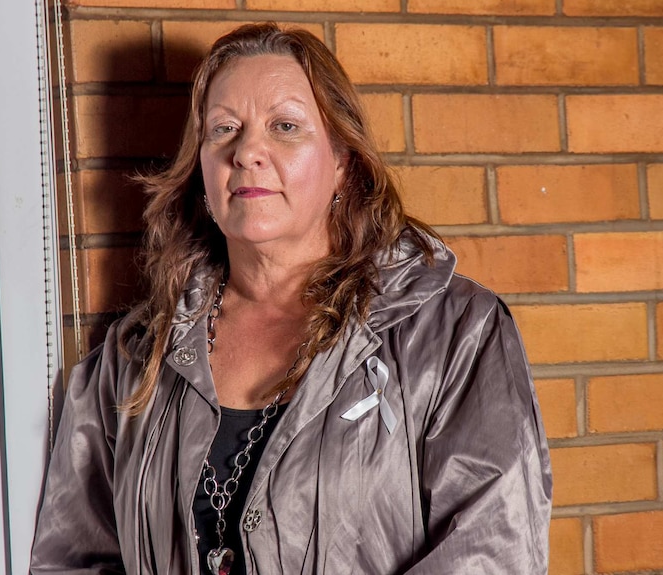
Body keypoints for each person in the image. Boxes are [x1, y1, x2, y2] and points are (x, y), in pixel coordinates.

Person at [29, 22, 552, 575]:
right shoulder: (135, 356)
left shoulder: (453, 333)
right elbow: (74, 560)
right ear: (200, 167)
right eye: (224, 128)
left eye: (285, 126)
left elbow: (493, 552)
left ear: (342, 165)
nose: (248, 151)